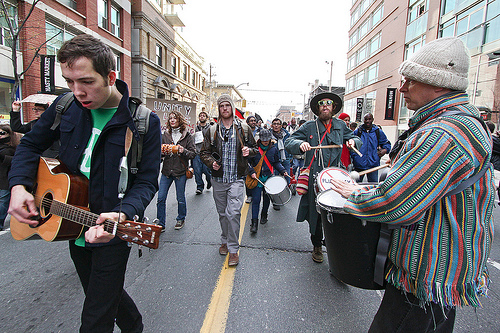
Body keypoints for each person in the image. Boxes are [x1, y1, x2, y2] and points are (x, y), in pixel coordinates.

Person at [331, 37, 494, 332]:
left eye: (411, 81)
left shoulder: (443, 133)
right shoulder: (463, 122)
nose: (402, 88)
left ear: (438, 84)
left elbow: (397, 203)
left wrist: (355, 195)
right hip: (441, 278)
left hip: (425, 278)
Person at [8, 34, 161, 332]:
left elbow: (146, 182)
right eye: (69, 81)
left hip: (111, 231)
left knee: (94, 321)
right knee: (101, 295)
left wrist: (124, 212)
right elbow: (29, 146)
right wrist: (19, 188)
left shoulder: (143, 122)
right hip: (71, 227)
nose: (77, 91)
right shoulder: (65, 106)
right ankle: (135, 326)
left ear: (110, 77)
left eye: (87, 82)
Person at [284, 92, 361, 263]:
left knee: (337, 211)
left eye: (328, 103)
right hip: (315, 178)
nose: (325, 106)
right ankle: (317, 244)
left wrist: (353, 142)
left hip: (335, 176)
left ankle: (334, 243)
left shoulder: (341, 125)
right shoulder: (310, 126)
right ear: (318, 108)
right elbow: (290, 141)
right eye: (321, 104)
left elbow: (354, 137)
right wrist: (300, 144)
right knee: (316, 214)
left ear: (333, 108)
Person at [200, 94, 257, 266]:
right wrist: (212, 163)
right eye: (221, 106)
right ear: (218, 109)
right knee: (223, 214)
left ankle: (233, 249)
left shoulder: (243, 129)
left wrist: (249, 151)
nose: (224, 108)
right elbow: (203, 153)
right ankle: (224, 239)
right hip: (218, 179)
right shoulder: (212, 130)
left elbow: (255, 149)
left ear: (232, 108)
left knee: (233, 214)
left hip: (237, 179)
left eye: (227, 105)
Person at [157, 110, 196, 231]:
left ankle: (180, 218)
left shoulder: (187, 135)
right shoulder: (165, 135)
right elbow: (158, 152)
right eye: (170, 118)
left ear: (180, 120)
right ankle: (160, 223)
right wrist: (163, 152)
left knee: (180, 198)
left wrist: (182, 150)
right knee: (161, 198)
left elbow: (193, 153)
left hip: (180, 172)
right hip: (167, 171)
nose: (172, 120)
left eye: (175, 118)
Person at [247, 129, 287, 233]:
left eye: (267, 139)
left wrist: (283, 170)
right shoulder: (254, 150)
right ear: (260, 139)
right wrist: (251, 171)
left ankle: (264, 214)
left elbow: (276, 162)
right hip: (257, 178)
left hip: (269, 179)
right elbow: (248, 163)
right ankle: (254, 223)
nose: (265, 141)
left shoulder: (273, 149)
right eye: (263, 139)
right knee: (255, 200)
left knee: (266, 199)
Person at [350, 113, 391, 182]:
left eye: (369, 119)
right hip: (359, 165)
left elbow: (386, 144)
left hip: (373, 166)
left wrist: (385, 150)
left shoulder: (378, 132)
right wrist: (355, 157)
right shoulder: (357, 132)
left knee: (373, 187)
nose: (367, 121)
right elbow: (351, 146)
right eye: (366, 119)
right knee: (354, 186)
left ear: (372, 120)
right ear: (363, 120)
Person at [270, 118, 291, 210]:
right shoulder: (269, 135)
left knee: (287, 179)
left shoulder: (287, 134)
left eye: (278, 124)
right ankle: (276, 202)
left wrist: (290, 158)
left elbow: (290, 146)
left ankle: (283, 196)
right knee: (274, 180)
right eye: (274, 124)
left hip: (285, 158)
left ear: (281, 125)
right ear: (272, 125)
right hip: (274, 160)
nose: (276, 126)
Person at [0, 125, 18, 231]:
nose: (0, 136)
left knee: (3, 202)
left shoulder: (12, 148)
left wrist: (2, 157)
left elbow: (14, 161)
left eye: (2, 133)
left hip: (6, 179)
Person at [193, 109, 212, 195]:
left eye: (203, 116)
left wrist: (207, 140)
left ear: (207, 118)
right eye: (200, 116)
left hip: (206, 153)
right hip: (197, 152)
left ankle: (209, 181)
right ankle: (199, 187)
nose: (202, 117)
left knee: (207, 170)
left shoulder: (210, 128)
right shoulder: (195, 128)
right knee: (197, 171)